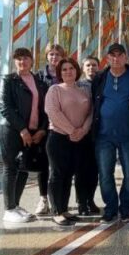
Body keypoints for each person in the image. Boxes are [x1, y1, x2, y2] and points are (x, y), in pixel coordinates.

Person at [0, 47, 49, 224]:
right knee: (11, 168)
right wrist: (23, 129)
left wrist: (42, 129)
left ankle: (16, 205)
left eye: (26, 58)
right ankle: (8, 209)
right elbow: (5, 107)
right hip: (12, 131)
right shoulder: (8, 80)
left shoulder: (40, 82)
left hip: (33, 132)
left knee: (23, 169)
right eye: (19, 59)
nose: (22, 61)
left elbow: (45, 109)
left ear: (32, 61)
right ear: (15, 62)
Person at [92, 43, 129, 224]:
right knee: (105, 174)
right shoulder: (100, 77)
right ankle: (110, 208)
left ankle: (126, 208)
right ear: (107, 58)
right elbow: (94, 101)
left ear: (126, 57)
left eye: (120, 55)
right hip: (104, 136)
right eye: (112, 55)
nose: (116, 58)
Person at [44, 58, 93, 226]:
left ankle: (64, 209)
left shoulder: (84, 91)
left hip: (79, 139)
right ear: (60, 73)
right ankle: (56, 211)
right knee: (57, 174)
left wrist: (83, 130)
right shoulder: (55, 89)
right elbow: (52, 112)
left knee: (69, 174)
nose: (68, 71)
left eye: (71, 68)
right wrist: (72, 130)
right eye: (64, 69)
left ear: (77, 70)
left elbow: (91, 113)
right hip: (59, 138)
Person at [75, 56, 101, 215]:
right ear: (83, 68)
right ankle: (81, 202)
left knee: (94, 169)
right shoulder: (78, 85)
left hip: (97, 132)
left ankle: (90, 199)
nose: (91, 68)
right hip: (81, 131)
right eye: (88, 65)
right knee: (81, 169)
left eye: (94, 65)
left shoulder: (102, 83)